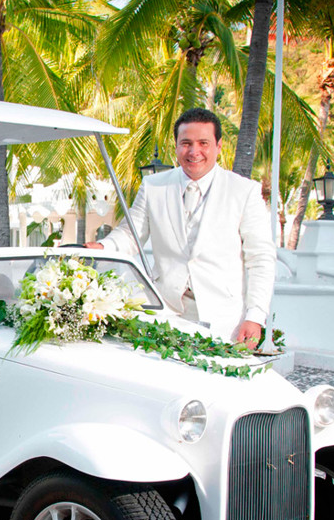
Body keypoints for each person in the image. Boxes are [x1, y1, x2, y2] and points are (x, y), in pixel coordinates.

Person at [87, 108, 275, 347]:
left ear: (218, 146)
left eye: (203, 143)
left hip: (224, 318)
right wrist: (103, 246)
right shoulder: (154, 186)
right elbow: (130, 234)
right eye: (186, 143)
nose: (194, 151)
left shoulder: (244, 191)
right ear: (176, 146)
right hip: (165, 311)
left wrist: (255, 316)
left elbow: (261, 258)